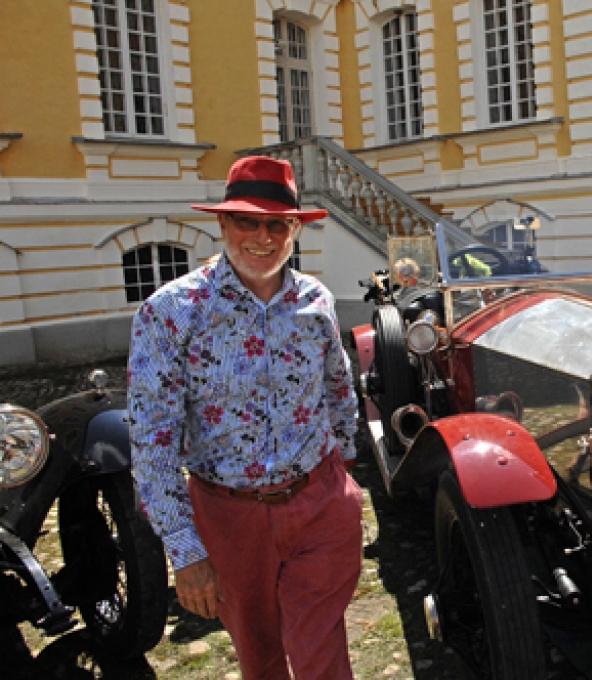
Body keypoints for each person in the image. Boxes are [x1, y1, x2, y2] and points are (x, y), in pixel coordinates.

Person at [127, 155, 364, 679]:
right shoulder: (171, 311)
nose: (262, 236)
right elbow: (151, 440)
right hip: (230, 517)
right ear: (222, 224)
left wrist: (342, 474)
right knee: (260, 658)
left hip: (319, 503)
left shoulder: (316, 301)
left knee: (320, 651)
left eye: (277, 223)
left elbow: (338, 387)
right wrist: (186, 552)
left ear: (295, 229)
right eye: (247, 221)